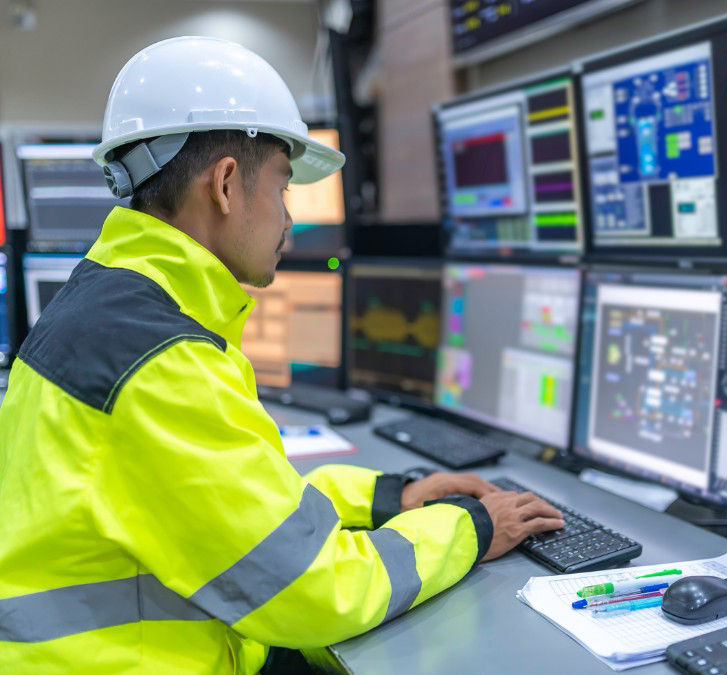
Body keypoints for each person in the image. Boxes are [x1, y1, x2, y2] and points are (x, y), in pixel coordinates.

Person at [0, 37, 564, 673]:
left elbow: (233, 506)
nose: (288, 220)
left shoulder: (107, 308)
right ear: (226, 184)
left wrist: (389, 497)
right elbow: (317, 591)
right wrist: (472, 527)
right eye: (283, 188)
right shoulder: (158, 360)